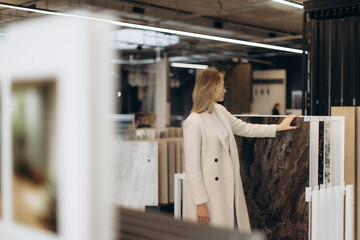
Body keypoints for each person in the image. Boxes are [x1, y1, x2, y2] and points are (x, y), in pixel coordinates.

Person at [183, 68, 297, 233]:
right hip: (210, 195)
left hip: (228, 187)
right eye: (222, 86)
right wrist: (200, 203)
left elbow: (245, 128)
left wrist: (278, 128)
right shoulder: (193, 122)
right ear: (211, 88)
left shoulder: (219, 111)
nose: (225, 90)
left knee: (232, 231)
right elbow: (192, 168)